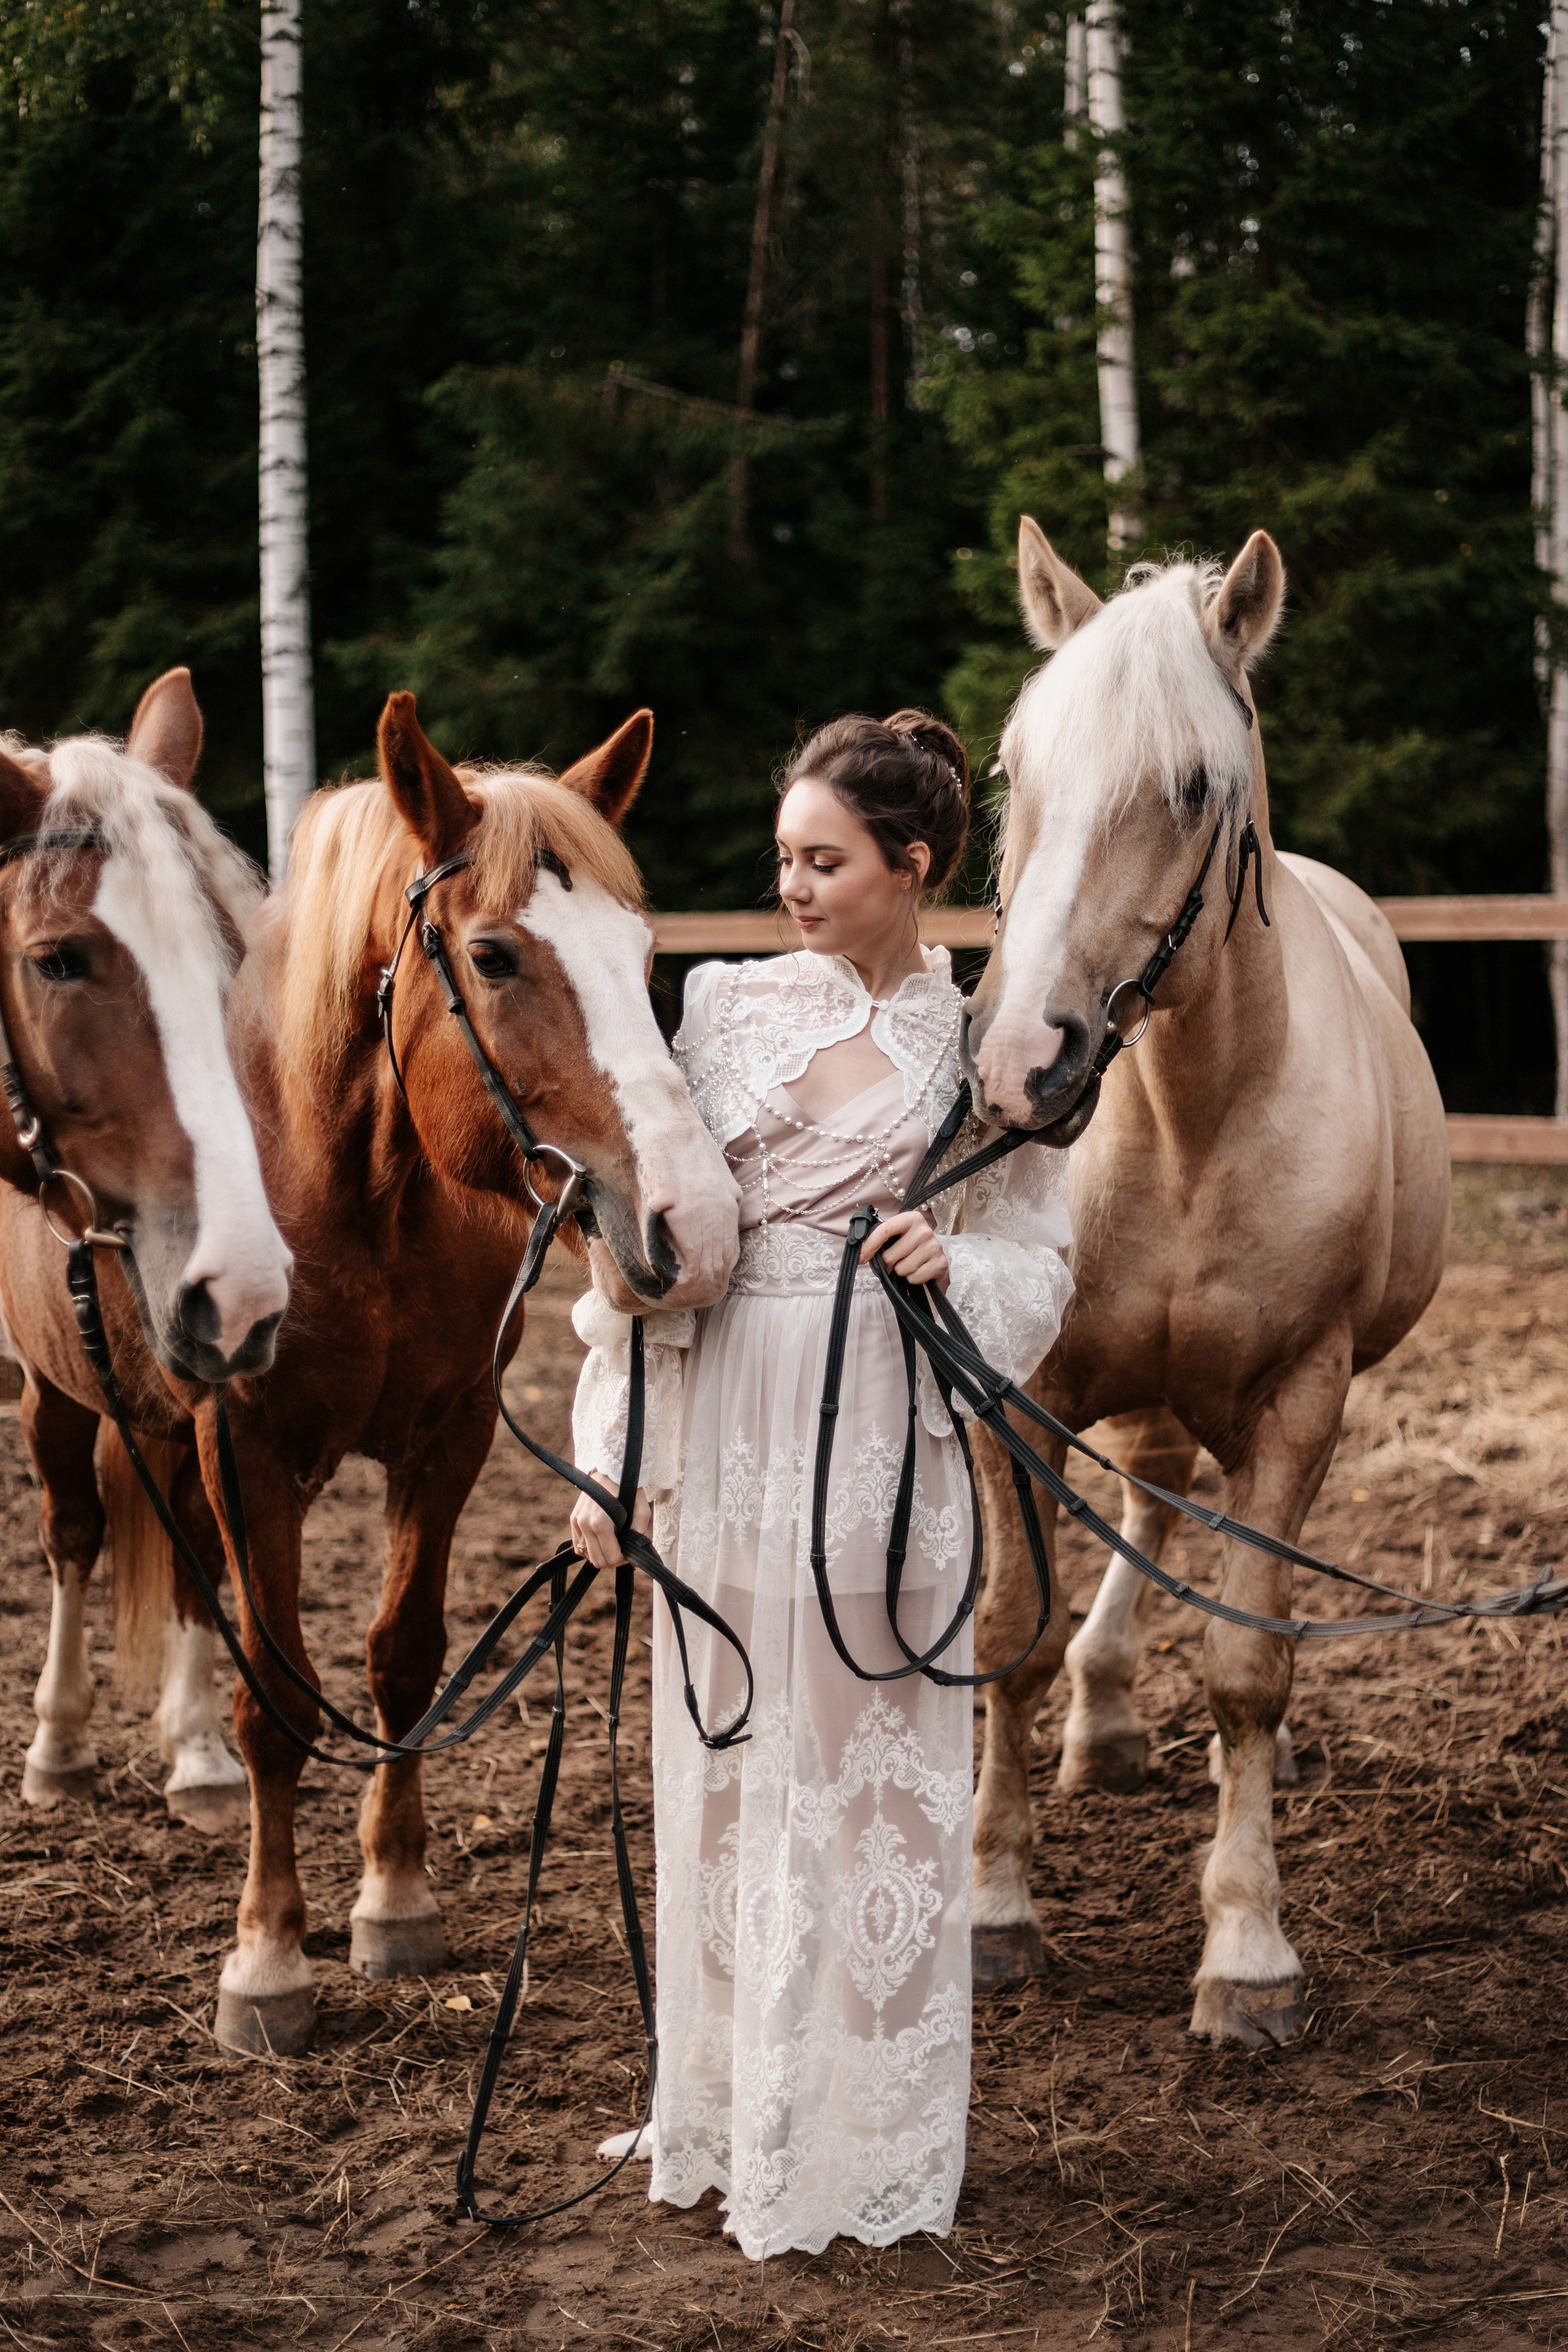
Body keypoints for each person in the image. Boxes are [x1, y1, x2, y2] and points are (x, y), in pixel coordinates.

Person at [568, 710, 1073, 2260]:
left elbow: (1043, 1256)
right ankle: (726, 2103)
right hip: (725, 1416)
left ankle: (866, 2129)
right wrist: (610, 1460)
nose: (789, 885)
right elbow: (643, 1254)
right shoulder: (712, 1013)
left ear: (909, 868)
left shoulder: (984, 1049)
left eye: (822, 860)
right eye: (781, 857)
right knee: (729, 1765)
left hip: (879, 1426)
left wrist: (957, 1261)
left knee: (869, 1779)